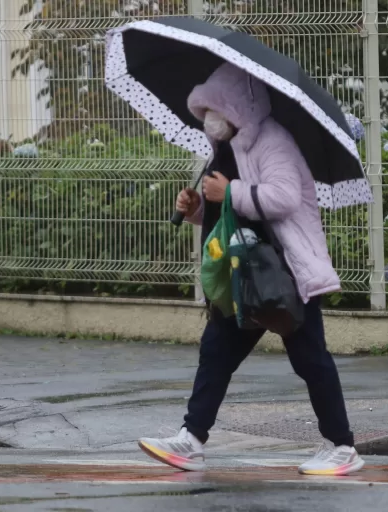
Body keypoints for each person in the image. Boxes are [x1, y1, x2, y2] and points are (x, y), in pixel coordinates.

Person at [137, 63, 365, 476]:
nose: (210, 120)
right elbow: (228, 212)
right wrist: (197, 208)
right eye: (206, 110)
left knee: (310, 359)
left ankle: (342, 446)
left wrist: (231, 191)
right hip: (243, 271)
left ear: (242, 107)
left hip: (285, 270)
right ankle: (191, 439)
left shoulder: (273, 142)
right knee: (216, 352)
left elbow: (283, 197)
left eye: (218, 109)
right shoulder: (227, 147)